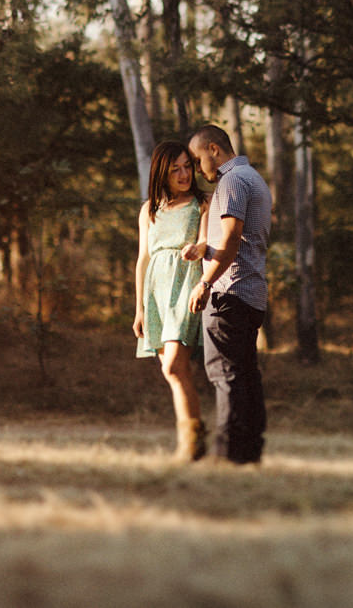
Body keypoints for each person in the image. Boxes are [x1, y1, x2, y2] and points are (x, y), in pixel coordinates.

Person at [182, 124, 272, 465]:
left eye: (196, 158)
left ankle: (228, 453)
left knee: (225, 372)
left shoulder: (232, 181)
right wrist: (204, 246)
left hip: (229, 291)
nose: (196, 167)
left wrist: (205, 282)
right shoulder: (253, 178)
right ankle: (249, 452)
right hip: (251, 291)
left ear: (213, 150)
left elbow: (233, 239)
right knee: (246, 373)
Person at [133, 139, 211, 461]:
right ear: (161, 172)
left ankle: (191, 443)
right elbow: (143, 258)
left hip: (186, 286)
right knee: (171, 371)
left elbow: (207, 239)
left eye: (187, 166)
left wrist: (200, 248)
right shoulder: (150, 208)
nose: (183, 174)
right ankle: (193, 437)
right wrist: (138, 308)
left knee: (175, 365)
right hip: (156, 292)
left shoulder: (202, 202)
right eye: (175, 168)